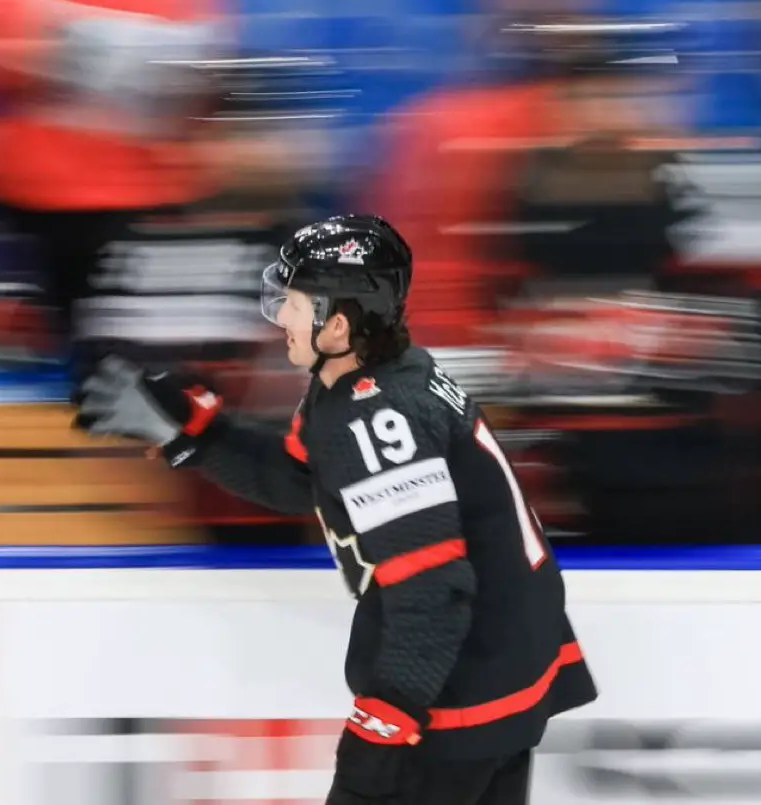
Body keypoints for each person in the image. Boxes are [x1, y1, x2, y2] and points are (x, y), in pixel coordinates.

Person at [74, 214, 598, 805]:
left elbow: (433, 592)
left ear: (339, 322)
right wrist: (196, 436)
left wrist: (383, 721)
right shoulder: (377, 380)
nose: (280, 317)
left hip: (459, 689)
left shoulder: (374, 418)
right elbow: (308, 483)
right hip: (502, 663)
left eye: (293, 301)